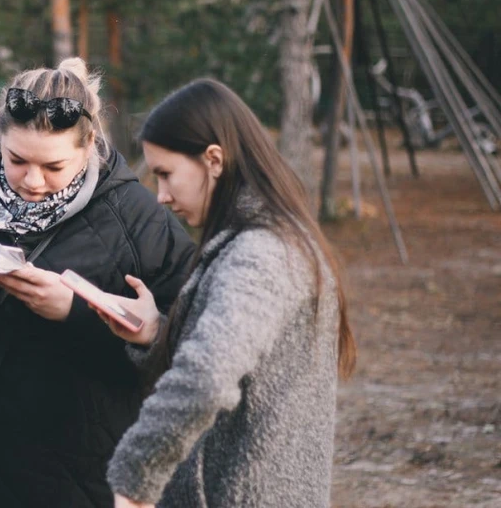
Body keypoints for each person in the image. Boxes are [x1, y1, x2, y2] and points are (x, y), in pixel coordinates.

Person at [0, 58, 196, 507]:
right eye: (17, 160)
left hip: (73, 478)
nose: (33, 181)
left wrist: (72, 313)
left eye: (53, 166)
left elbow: (186, 350)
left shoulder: (139, 220)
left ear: (89, 143)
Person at [93, 79, 356, 508]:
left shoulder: (263, 253)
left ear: (213, 159)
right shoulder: (259, 241)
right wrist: (156, 332)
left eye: (166, 174)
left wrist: (137, 473)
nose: (160, 196)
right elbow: (244, 360)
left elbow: (209, 375)